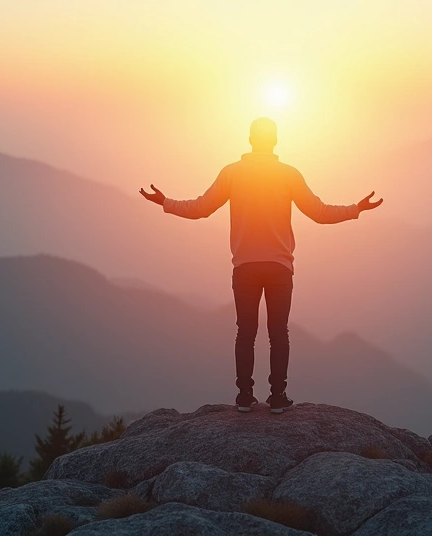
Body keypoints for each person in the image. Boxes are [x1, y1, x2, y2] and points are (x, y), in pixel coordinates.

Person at [140, 117, 383, 413]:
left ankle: (244, 396)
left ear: (250, 138)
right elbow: (319, 213)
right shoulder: (288, 174)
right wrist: (356, 209)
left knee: (246, 331)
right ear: (276, 140)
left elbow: (201, 209)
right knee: (279, 332)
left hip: (244, 266)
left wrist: (166, 202)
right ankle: (278, 397)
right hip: (280, 266)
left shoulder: (232, 173)